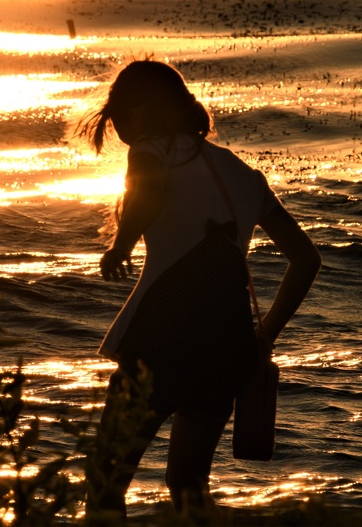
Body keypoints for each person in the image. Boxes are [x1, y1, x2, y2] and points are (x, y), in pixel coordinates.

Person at [78, 60, 320, 523]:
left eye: (120, 119)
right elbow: (306, 259)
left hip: (160, 337)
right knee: (189, 486)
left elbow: (147, 194)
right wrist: (264, 334)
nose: (121, 132)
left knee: (106, 479)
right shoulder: (244, 174)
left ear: (142, 112)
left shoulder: (151, 149)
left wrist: (121, 244)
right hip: (227, 345)